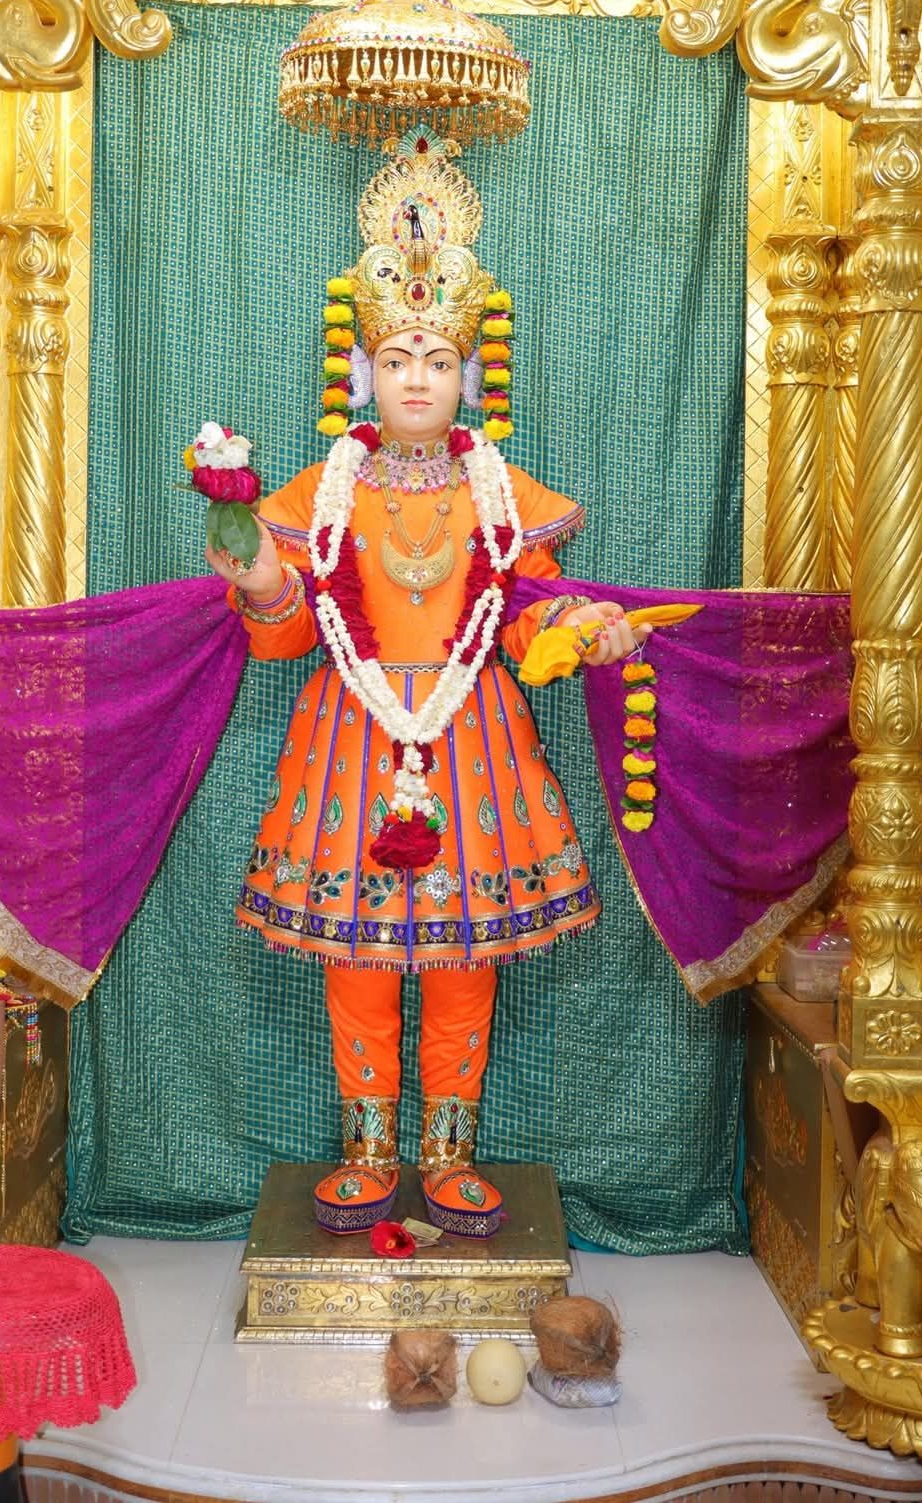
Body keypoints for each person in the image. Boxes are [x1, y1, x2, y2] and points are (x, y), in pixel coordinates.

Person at [206, 130, 648, 1238]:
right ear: (365, 373)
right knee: (357, 954)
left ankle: (446, 1154)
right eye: (397, 359)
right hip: (352, 733)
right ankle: (368, 1149)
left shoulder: (499, 488)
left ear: (467, 374)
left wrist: (583, 628)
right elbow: (287, 632)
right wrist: (251, 557)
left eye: (435, 361)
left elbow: (527, 613)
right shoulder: (327, 486)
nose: (415, 377)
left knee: (461, 952)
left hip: (474, 738)